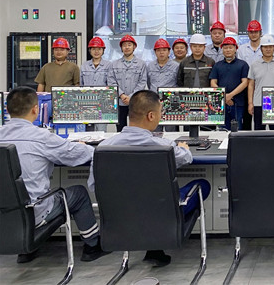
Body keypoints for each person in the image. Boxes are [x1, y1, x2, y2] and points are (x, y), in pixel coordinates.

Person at [87, 90, 210, 268]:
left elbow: (93, 185)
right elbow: (186, 158)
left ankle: (151, 245)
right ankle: (160, 238)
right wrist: (184, 148)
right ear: (151, 116)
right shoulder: (164, 146)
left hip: (120, 216)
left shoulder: (103, 148)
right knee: (202, 185)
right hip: (161, 213)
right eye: (160, 112)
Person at [0, 87, 108, 263]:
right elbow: (75, 154)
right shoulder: (41, 137)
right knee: (79, 193)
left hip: (4, 215)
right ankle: (92, 246)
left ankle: (26, 250)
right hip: (35, 212)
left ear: (7, 109)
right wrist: (85, 146)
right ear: (36, 109)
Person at [108, 34, 148, 131]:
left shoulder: (141, 64)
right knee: (120, 129)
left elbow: (142, 82)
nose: (127, 47)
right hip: (119, 102)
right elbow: (111, 81)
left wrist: (131, 97)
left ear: (134, 47)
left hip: (135, 101)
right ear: (121, 48)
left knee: (136, 128)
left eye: (129, 45)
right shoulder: (114, 64)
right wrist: (121, 95)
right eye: (124, 45)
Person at [247, 35, 274, 130]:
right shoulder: (254, 65)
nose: (268, 49)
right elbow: (251, 85)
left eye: (270, 47)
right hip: (259, 103)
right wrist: (250, 103)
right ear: (261, 48)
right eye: (265, 47)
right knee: (259, 133)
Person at [210, 37, 249, 131]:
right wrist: (224, 96)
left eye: (230, 47)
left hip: (237, 104)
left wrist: (230, 95)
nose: (228, 50)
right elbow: (213, 82)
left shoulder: (243, 65)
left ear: (235, 49)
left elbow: (245, 82)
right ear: (222, 50)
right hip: (221, 104)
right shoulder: (217, 65)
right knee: (222, 130)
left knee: (237, 129)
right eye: (225, 48)